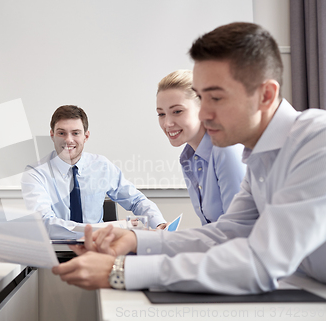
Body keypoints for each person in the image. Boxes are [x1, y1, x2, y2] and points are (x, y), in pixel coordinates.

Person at [52, 22, 326, 294]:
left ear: (266, 95)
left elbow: (259, 262)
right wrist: (136, 239)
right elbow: (224, 234)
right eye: (202, 98)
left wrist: (121, 271)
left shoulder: (317, 141)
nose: (204, 114)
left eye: (216, 98)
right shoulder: (258, 157)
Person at [21, 105, 167, 239]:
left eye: (76, 133)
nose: (68, 140)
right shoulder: (35, 173)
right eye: (61, 133)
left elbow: (136, 200)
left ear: (86, 136)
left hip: (99, 249)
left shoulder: (101, 166)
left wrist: (158, 223)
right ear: (52, 135)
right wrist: (108, 229)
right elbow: (45, 225)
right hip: (57, 252)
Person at [156, 69, 246, 224]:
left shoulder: (226, 149)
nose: (167, 123)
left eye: (177, 111)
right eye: (161, 114)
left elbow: (239, 228)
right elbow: (210, 228)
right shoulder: (189, 158)